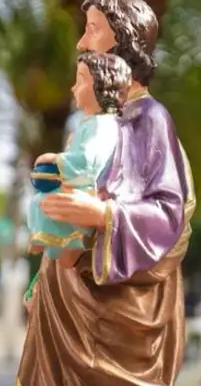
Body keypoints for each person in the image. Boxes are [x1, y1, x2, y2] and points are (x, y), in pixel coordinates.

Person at [7, 0, 195, 386]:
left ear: (122, 40)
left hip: (116, 331)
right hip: (69, 313)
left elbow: (167, 214)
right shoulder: (96, 125)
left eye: (92, 29)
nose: (82, 42)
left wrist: (103, 215)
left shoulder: (150, 121)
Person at [23, 51, 130, 308]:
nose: (73, 88)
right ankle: (52, 259)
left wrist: (56, 161)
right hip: (80, 186)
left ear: (100, 85)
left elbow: (89, 162)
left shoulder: (101, 125)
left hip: (87, 191)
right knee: (41, 201)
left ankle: (65, 251)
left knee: (47, 202)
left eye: (80, 80)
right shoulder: (90, 124)